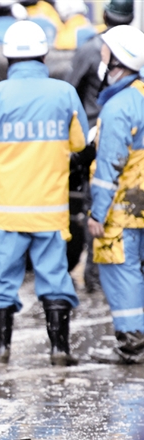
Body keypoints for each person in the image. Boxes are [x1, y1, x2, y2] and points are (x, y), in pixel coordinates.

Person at [0, 20, 87, 366]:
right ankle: (59, 350)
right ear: (44, 54)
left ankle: (0, 349)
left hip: (6, 210)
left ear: (7, 57)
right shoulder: (64, 94)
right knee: (55, 277)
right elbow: (79, 143)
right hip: (50, 209)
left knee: (2, 279)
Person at [64, 0, 134, 292]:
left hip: (94, 138)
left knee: (96, 206)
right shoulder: (132, 50)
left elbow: (70, 90)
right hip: (126, 137)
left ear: (104, 16)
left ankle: (96, 275)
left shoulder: (91, 49)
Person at [87, 25, 144, 365]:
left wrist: (97, 214)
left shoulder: (118, 107)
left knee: (120, 270)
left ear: (119, 61)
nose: (101, 61)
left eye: (105, 55)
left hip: (121, 207)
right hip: (141, 202)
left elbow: (109, 167)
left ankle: (131, 341)